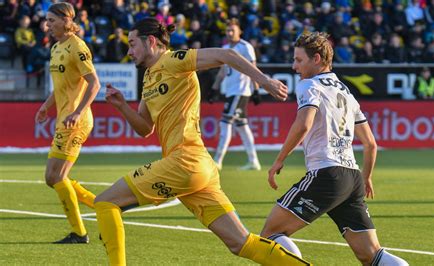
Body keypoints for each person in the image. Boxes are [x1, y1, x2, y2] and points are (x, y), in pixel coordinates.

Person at [94, 18, 312, 266]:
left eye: (132, 44)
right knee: (239, 243)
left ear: (151, 41)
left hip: (184, 162)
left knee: (105, 201)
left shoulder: (175, 60)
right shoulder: (149, 78)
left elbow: (226, 54)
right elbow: (145, 128)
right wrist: (122, 106)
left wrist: (263, 81)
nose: (129, 51)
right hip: (197, 168)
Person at [260, 32, 409, 266]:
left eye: (299, 60)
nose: (294, 66)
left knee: (270, 235)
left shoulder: (309, 85)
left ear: (316, 58)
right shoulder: (345, 92)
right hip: (352, 178)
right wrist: (366, 177)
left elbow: (304, 124)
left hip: (326, 174)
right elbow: (370, 143)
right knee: (372, 255)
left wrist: (280, 159)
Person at [34, 2, 100, 244]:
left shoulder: (77, 47)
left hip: (75, 121)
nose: (47, 25)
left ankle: (80, 233)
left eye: (51, 20)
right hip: (64, 119)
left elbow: (94, 84)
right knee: (55, 177)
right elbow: (60, 86)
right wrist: (45, 106)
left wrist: (78, 112)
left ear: (65, 20)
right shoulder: (56, 47)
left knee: (55, 176)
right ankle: (104, 206)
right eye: (47, 20)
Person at [210, 18, 262, 171]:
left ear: (240, 31)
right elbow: (222, 71)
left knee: (225, 123)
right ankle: (254, 161)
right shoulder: (225, 47)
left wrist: (256, 89)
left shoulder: (246, 47)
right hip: (230, 91)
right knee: (242, 127)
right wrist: (215, 88)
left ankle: (217, 161)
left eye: (233, 30)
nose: (230, 33)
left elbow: (254, 69)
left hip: (240, 92)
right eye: (228, 30)